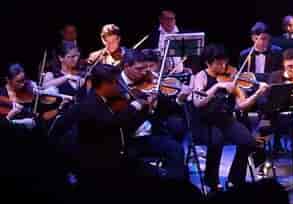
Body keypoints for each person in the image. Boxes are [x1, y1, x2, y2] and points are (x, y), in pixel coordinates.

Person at [191, 44, 267, 193]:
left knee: (248, 142)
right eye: (218, 64)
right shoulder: (201, 76)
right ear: (208, 63)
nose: (223, 67)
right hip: (205, 121)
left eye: (224, 63)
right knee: (216, 140)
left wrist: (257, 93)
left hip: (225, 119)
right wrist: (217, 87)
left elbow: (242, 105)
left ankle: (235, 179)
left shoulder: (231, 77)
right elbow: (198, 102)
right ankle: (211, 181)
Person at [71, 64, 154, 176]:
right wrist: (134, 106)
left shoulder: (104, 98)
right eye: (115, 82)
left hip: (116, 152)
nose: (119, 86)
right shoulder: (91, 104)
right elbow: (113, 123)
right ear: (104, 84)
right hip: (100, 163)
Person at [252, 49, 293, 181]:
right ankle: (262, 164)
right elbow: (263, 100)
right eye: (289, 66)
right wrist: (266, 97)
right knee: (257, 140)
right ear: (283, 65)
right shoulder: (275, 77)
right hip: (275, 116)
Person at [118, 50, 186, 180]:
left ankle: (176, 187)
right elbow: (119, 119)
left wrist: (179, 99)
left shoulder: (149, 81)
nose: (145, 72)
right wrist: (140, 107)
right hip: (127, 139)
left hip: (150, 134)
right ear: (126, 66)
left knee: (176, 149)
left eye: (146, 68)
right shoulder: (116, 85)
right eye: (139, 69)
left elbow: (167, 108)